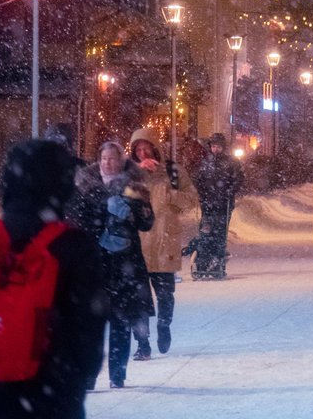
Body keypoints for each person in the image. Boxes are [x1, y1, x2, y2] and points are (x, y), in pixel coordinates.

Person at [0, 139, 106, 419]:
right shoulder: (73, 246)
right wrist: (74, 371)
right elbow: (89, 325)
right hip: (51, 392)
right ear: (61, 184)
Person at [128, 128, 198, 358]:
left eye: (146, 147)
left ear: (155, 147)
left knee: (166, 294)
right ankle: (142, 344)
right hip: (135, 245)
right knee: (137, 300)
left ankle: (164, 325)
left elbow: (190, 200)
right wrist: (136, 176)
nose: (142, 152)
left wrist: (169, 195)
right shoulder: (129, 173)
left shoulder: (172, 172)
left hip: (164, 243)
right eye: (137, 149)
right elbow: (118, 198)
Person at [92, 141, 154, 388]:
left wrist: (135, 212)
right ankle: (89, 374)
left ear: (120, 161)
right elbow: (78, 219)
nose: (107, 163)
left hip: (126, 264)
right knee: (93, 323)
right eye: (104, 158)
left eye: (112, 159)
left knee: (121, 320)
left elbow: (146, 223)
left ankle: (117, 374)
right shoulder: (88, 186)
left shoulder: (134, 187)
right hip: (96, 264)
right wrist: (101, 219)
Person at [190, 132, 244, 279]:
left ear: (223, 147)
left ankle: (217, 260)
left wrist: (229, 192)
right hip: (207, 202)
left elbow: (238, 179)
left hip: (223, 203)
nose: (215, 149)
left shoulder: (231, 162)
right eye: (213, 146)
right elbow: (197, 178)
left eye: (218, 146)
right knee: (206, 232)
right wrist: (201, 191)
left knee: (220, 232)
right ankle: (203, 261)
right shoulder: (205, 162)